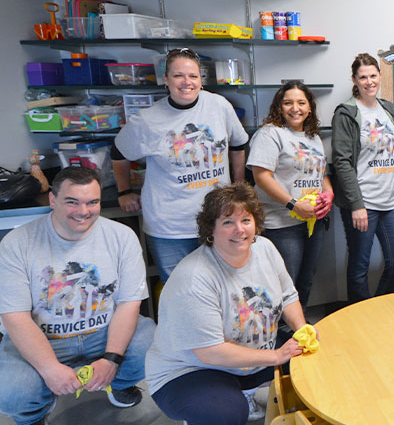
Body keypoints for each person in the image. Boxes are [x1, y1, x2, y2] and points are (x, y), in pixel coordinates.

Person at [0, 167, 155, 425]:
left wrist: (112, 359)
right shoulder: (17, 243)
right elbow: (15, 316)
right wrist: (49, 368)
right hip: (46, 338)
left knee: (153, 342)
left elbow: (129, 304)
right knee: (13, 391)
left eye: (92, 202)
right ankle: (35, 413)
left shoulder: (122, 237)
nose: (83, 211)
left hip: (103, 333)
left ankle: (116, 382)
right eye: (72, 202)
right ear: (52, 200)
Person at [145, 182, 310, 425]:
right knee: (226, 413)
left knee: (312, 363)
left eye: (246, 220)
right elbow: (210, 352)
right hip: (190, 369)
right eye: (227, 222)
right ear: (210, 229)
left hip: (251, 355)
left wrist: (302, 329)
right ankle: (214, 402)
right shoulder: (195, 277)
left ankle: (242, 389)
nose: (239, 230)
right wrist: (276, 356)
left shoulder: (265, 248)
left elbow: (288, 296)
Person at [112, 47, 249, 284]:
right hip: (170, 227)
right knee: (181, 292)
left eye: (193, 76)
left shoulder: (219, 105)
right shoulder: (147, 120)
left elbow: (238, 144)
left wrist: (239, 187)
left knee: (225, 286)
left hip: (219, 219)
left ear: (201, 79)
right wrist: (124, 192)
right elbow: (118, 152)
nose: (187, 82)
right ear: (165, 80)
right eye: (178, 76)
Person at [332, 53, 394, 303]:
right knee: (359, 266)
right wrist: (356, 205)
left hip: (389, 202)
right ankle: (359, 317)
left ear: (379, 76)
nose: (369, 82)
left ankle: (379, 308)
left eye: (373, 76)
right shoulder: (347, 113)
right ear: (354, 80)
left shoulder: (387, 109)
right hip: (363, 203)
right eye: (363, 77)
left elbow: (393, 155)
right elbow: (342, 162)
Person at [247, 81, 333, 309]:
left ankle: (297, 329)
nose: (295, 108)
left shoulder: (313, 137)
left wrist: (329, 193)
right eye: (288, 103)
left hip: (312, 221)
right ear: (279, 107)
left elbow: (320, 173)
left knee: (305, 280)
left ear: (310, 108)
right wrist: (294, 205)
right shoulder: (270, 134)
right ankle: (277, 336)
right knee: (284, 283)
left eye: (301, 103)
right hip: (281, 224)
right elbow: (261, 176)